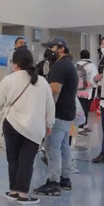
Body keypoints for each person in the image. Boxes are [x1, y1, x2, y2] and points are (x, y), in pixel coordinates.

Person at [0, 48, 56, 206]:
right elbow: (50, 106)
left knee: (12, 159)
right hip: (34, 128)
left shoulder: (9, 79)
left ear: (14, 64)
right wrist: (49, 123)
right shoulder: (42, 81)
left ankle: (13, 191)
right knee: (26, 161)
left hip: (12, 124)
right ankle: (23, 194)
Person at [34, 36, 78, 197]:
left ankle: (53, 182)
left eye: (52, 47)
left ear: (61, 48)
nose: (49, 51)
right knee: (64, 146)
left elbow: (54, 90)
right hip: (68, 112)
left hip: (58, 114)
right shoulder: (69, 64)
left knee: (52, 147)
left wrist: (47, 114)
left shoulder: (59, 66)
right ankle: (65, 179)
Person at [76, 50, 99, 133]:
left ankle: (79, 125)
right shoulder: (92, 66)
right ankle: (83, 125)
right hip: (88, 91)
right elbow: (95, 79)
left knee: (79, 107)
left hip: (78, 90)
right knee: (86, 107)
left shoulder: (76, 65)